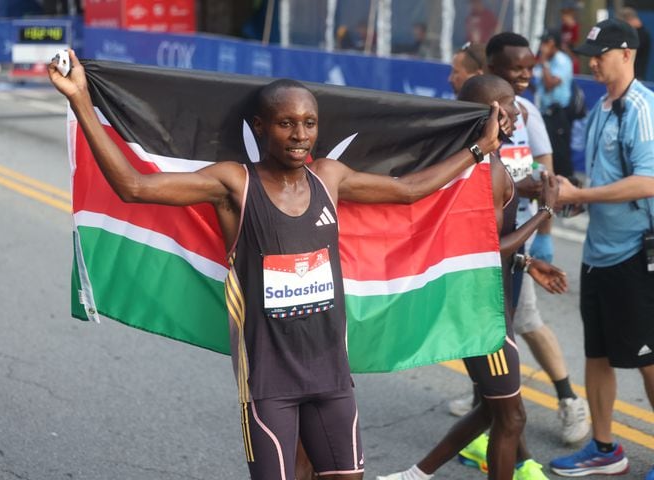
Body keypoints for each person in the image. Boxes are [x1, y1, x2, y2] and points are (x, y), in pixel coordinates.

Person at [48, 50, 506, 480]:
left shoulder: (330, 176)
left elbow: (409, 190)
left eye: (309, 123)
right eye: (286, 124)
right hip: (269, 382)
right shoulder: (233, 183)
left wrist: (479, 149)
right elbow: (135, 188)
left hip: (331, 374)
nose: (300, 134)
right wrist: (82, 99)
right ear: (260, 127)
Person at [377, 74, 564, 480]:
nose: (520, 110)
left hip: (481, 304)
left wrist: (527, 264)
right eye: (512, 103)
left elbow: (486, 244)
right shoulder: (485, 169)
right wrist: (544, 213)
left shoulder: (471, 161)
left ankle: (415, 475)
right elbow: (484, 249)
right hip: (482, 313)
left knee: (491, 410)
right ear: (493, 112)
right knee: (510, 418)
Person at [449, 32, 590, 449]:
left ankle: (560, 399)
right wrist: (541, 210)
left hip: (514, 242)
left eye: (531, 68)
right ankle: (501, 420)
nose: (528, 76)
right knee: (502, 365)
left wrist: (538, 237)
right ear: (492, 72)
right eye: (518, 70)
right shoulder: (478, 129)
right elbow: (483, 238)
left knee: (521, 326)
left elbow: (541, 170)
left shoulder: (523, 113)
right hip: (494, 251)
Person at [549, 18, 654, 479]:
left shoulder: (641, 108)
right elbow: (605, 181)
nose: (591, 63)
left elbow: (649, 182)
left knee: (648, 359)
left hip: (636, 252)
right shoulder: (600, 108)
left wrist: (581, 197)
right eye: (588, 55)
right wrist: (570, 201)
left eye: (600, 54)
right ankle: (606, 447)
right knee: (597, 354)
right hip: (598, 252)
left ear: (627, 53)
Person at [535, 29, 575, 178]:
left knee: (560, 153)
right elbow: (537, 84)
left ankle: (568, 189)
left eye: (546, 43)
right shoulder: (543, 62)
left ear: (554, 45)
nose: (542, 47)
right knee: (546, 151)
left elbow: (550, 83)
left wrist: (544, 61)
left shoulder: (562, 61)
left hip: (558, 113)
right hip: (544, 112)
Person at [619, 7, 651, 81]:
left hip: (635, 77)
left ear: (629, 20)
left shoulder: (642, 35)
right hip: (629, 76)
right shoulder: (637, 34)